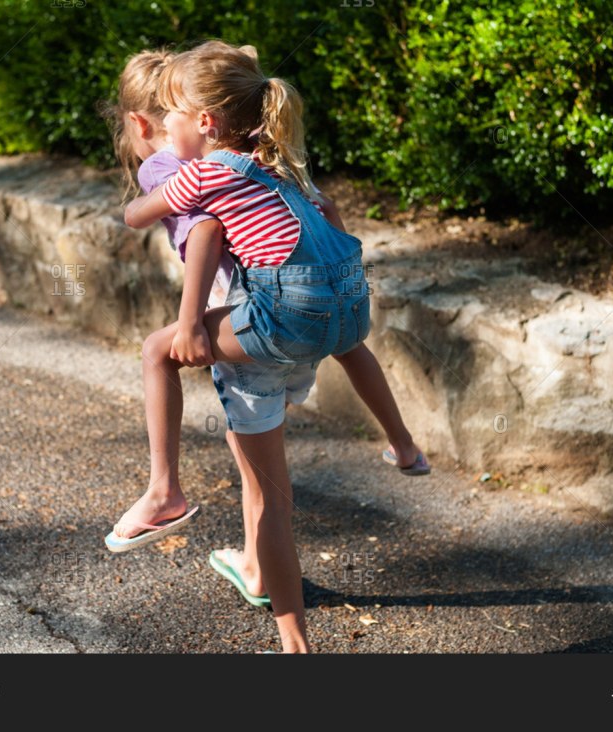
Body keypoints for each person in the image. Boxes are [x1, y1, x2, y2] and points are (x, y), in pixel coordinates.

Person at [104, 43, 430, 652]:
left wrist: (192, 323)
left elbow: (182, 223)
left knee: (265, 491)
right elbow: (328, 213)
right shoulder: (278, 161)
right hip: (343, 315)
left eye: (177, 111)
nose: (170, 123)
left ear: (200, 122)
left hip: (270, 328)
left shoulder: (194, 169)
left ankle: (290, 638)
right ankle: (403, 445)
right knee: (265, 478)